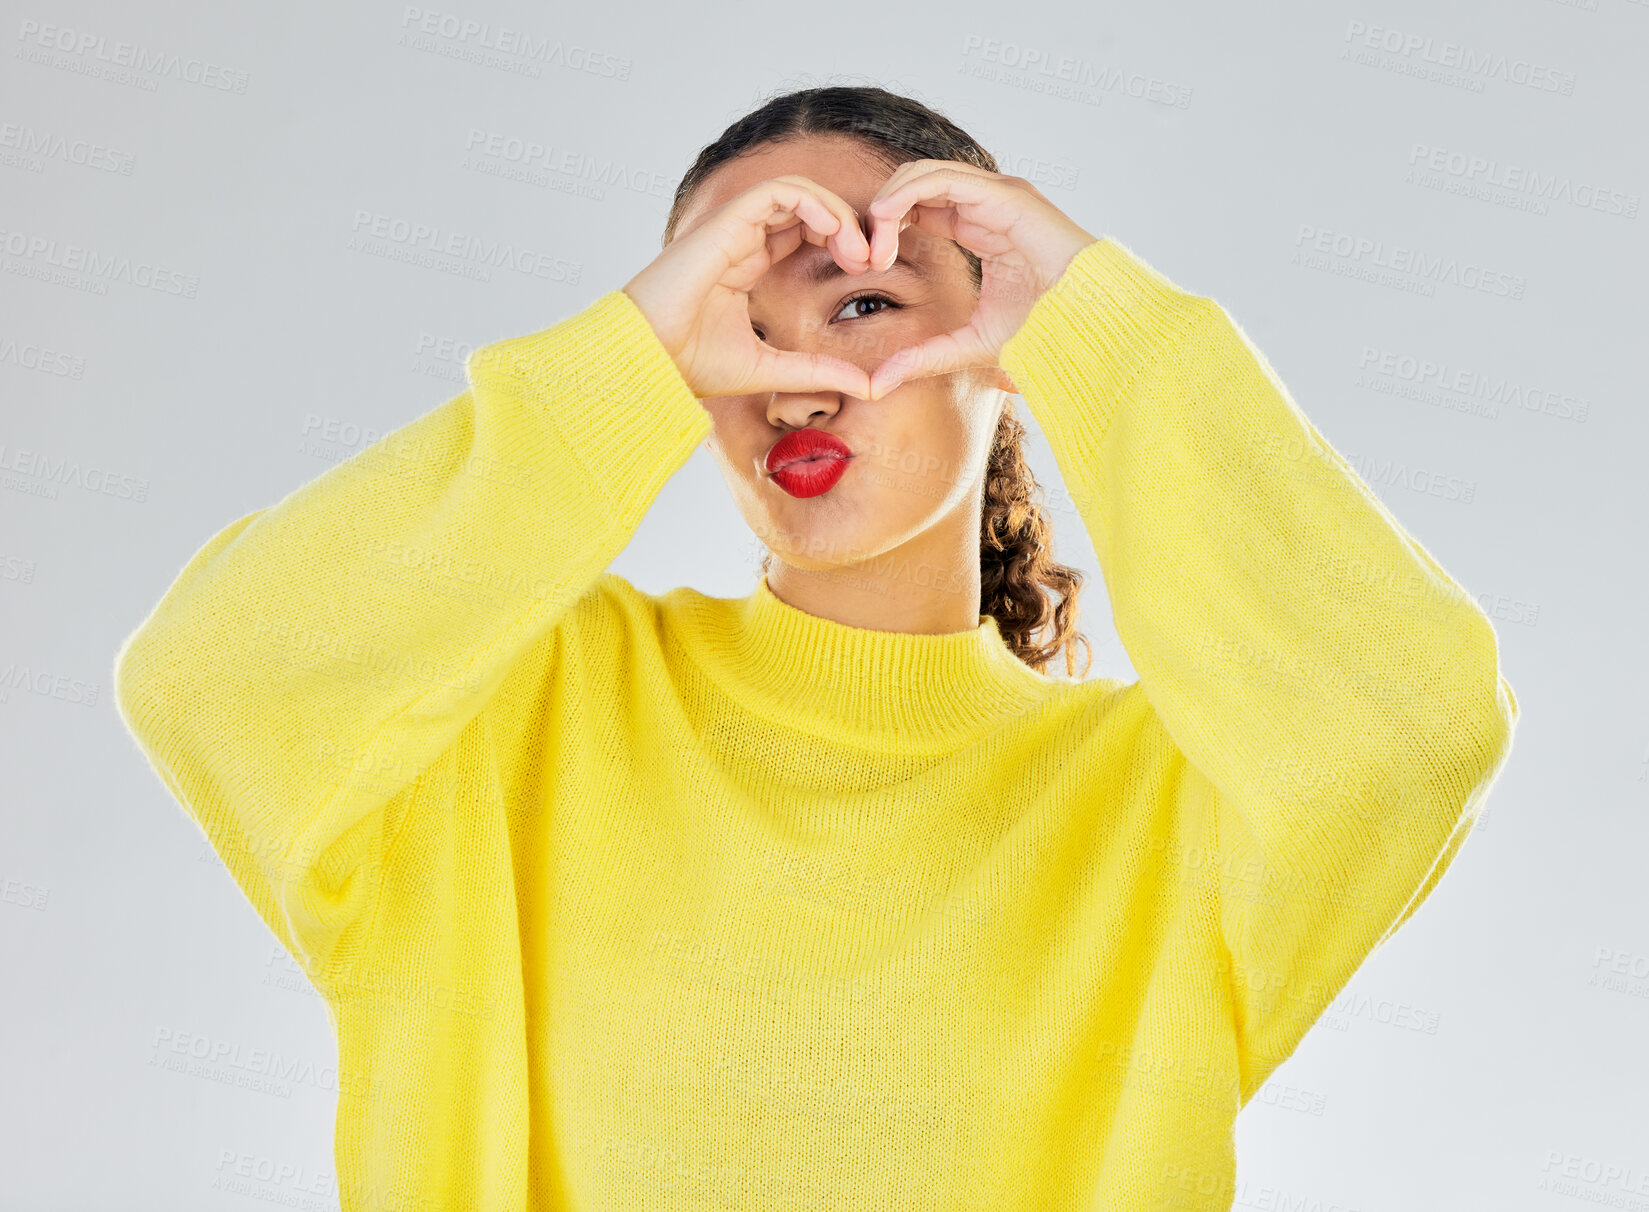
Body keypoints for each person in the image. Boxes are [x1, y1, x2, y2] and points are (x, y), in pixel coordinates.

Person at [113, 85, 1519, 1211]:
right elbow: (210, 679)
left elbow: (1417, 729)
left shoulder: (1168, 808)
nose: (795, 385)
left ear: (994, 348)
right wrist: (623, 369)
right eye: (739, 323)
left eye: (863, 306)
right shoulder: (502, 716)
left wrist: (1105, 330)